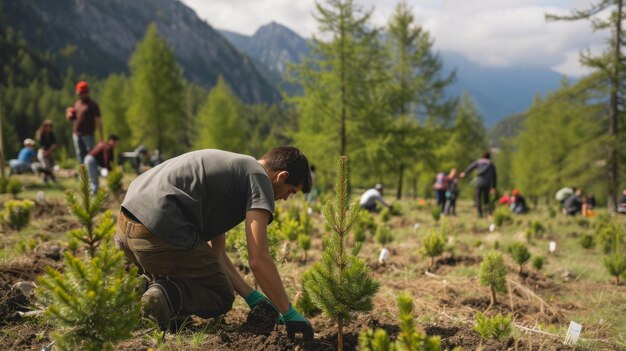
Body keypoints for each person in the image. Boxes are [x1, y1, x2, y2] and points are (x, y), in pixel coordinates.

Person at [114, 146, 314, 340]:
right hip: (158, 234)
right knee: (220, 295)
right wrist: (288, 312)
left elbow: (216, 256)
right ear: (282, 176)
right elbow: (258, 259)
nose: (286, 198)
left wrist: (252, 296)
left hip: (126, 229)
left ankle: (140, 286)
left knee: (210, 275)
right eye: (291, 191)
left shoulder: (233, 172)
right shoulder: (259, 178)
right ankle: (161, 294)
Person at [66, 81, 103, 163]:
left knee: (90, 155)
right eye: (80, 93)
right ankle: (82, 174)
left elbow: (98, 121)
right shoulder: (77, 104)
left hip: (88, 135)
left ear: (87, 92)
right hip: (76, 134)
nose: (81, 95)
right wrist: (69, 114)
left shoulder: (93, 105)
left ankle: (90, 173)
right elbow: (72, 118)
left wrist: (100, 137)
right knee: (80, 155)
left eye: (83, 93)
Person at [460, 151, 497, 218]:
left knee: (478, 198)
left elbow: (470, 167)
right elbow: (494, 176)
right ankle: (488, 213)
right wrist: (493, 187)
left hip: (479, 182)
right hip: (487, 183)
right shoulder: (491, 164)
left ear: (482, 156)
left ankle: (480, 214)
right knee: (487, 199)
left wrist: (465, 173)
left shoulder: (479, 162)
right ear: (489, 157)